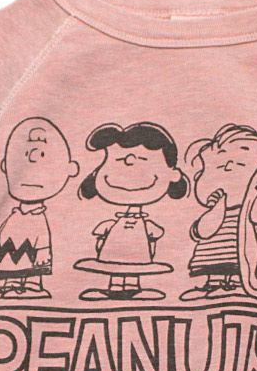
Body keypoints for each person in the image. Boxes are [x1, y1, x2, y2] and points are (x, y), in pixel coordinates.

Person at [74, 121, 190, 300]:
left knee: (134, 268)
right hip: (111, 252)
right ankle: (114, 288)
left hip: (139, 254)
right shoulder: (117, 221)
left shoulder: (144, 223)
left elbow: (156, 232)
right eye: (118, 160)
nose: (129, 163)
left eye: (143, 160)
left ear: (173, 175)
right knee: (112, 266)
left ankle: (132, 288)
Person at [0, 116, 79, 300]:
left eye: (42, 155)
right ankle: (10, 285)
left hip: (29, 243)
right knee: (9, 259)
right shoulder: (15, 215)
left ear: (70, 169)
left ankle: (33, 286)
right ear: (5, 166)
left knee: (30, 259)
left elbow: (42, 238)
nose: (33, 159)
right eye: (24, 155)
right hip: (10, 242)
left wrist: (43, 255)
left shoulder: (38, 218)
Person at [181, 124, 257, 300]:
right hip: (210, 256)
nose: (228, 168)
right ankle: (212, 286)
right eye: (218, 166)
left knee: (236, 273)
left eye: (241, 165)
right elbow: (202, 231)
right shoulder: (215, 202)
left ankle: (235, 286)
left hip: (239, 261)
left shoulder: (250, 208)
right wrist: (218, 208)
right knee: (214, 274)